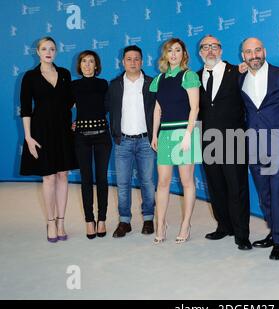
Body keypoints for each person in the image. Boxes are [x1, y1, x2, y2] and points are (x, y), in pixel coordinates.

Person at [239, 38, 279, 260]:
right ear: (243, 56)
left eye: (257, 50)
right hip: (254, 141)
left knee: (276, 187)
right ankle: (275, 231)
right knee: (264, 191)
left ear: (264, 51)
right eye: (249, 52)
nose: (254, 55)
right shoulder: (239, 76)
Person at [19, 36, 78, 242]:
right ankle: (51, 222)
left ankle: (61, 221)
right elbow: (26, 109)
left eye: (52, 48)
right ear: (37, 52)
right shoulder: (30, 77)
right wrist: (28, 137)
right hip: (41, 132)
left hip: (62, 132)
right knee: (49, 177)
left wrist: (74, 121)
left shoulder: (64, 74)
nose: (48, 52)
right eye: (44, 48)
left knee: (63, 176)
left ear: (56, 52)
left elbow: (71, 101)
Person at [197, 35, 252, 250]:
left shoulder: (237, 72)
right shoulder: (194, 77)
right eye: (206, 47)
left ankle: (241, 234)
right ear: (200, 52)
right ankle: (224, 226)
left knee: (237, 187)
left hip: (233, 139)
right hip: (207, 141)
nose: (210, 50)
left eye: (214, 46)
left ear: (221, 50)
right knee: (216, 186)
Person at [150, 38, 201, 244]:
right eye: (170, 50)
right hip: (165, 134)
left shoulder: (189, 76)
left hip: (185, 134)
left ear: (183, 54)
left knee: (187, 181)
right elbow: (157, 109)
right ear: (165, 54)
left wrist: (188, 135)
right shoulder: (159, 79)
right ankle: (161, 224)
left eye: (177, 50)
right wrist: (154, 134)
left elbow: (194, 108)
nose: (173, 54)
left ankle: (185, 224)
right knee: (162, 182)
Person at [105, 45, 156, 238]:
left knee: (148, 182)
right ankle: (124, 221)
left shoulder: (152, 84)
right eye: (129, 59)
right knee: (123, 183)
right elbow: (104, 108)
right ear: (122, 62)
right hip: (123, 142)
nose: (133, 62)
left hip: (146, 142)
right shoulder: (115, 85)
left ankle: (149, 218)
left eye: (136, 59)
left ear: (142, 62)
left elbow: (161, 109)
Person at [71, 50, 111, 239]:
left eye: (91, 61)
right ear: (79, 65)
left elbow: (110, 107)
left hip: (102, 137)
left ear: (97, 65)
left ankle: (102, 219)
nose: (87, 65)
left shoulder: (103, 84)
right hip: (81, 138)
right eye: (84, 61)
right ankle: (89, 220)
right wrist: (68, 124)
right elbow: (61, 108)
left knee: (102, 178)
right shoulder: (73, 86)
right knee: (86, 180)